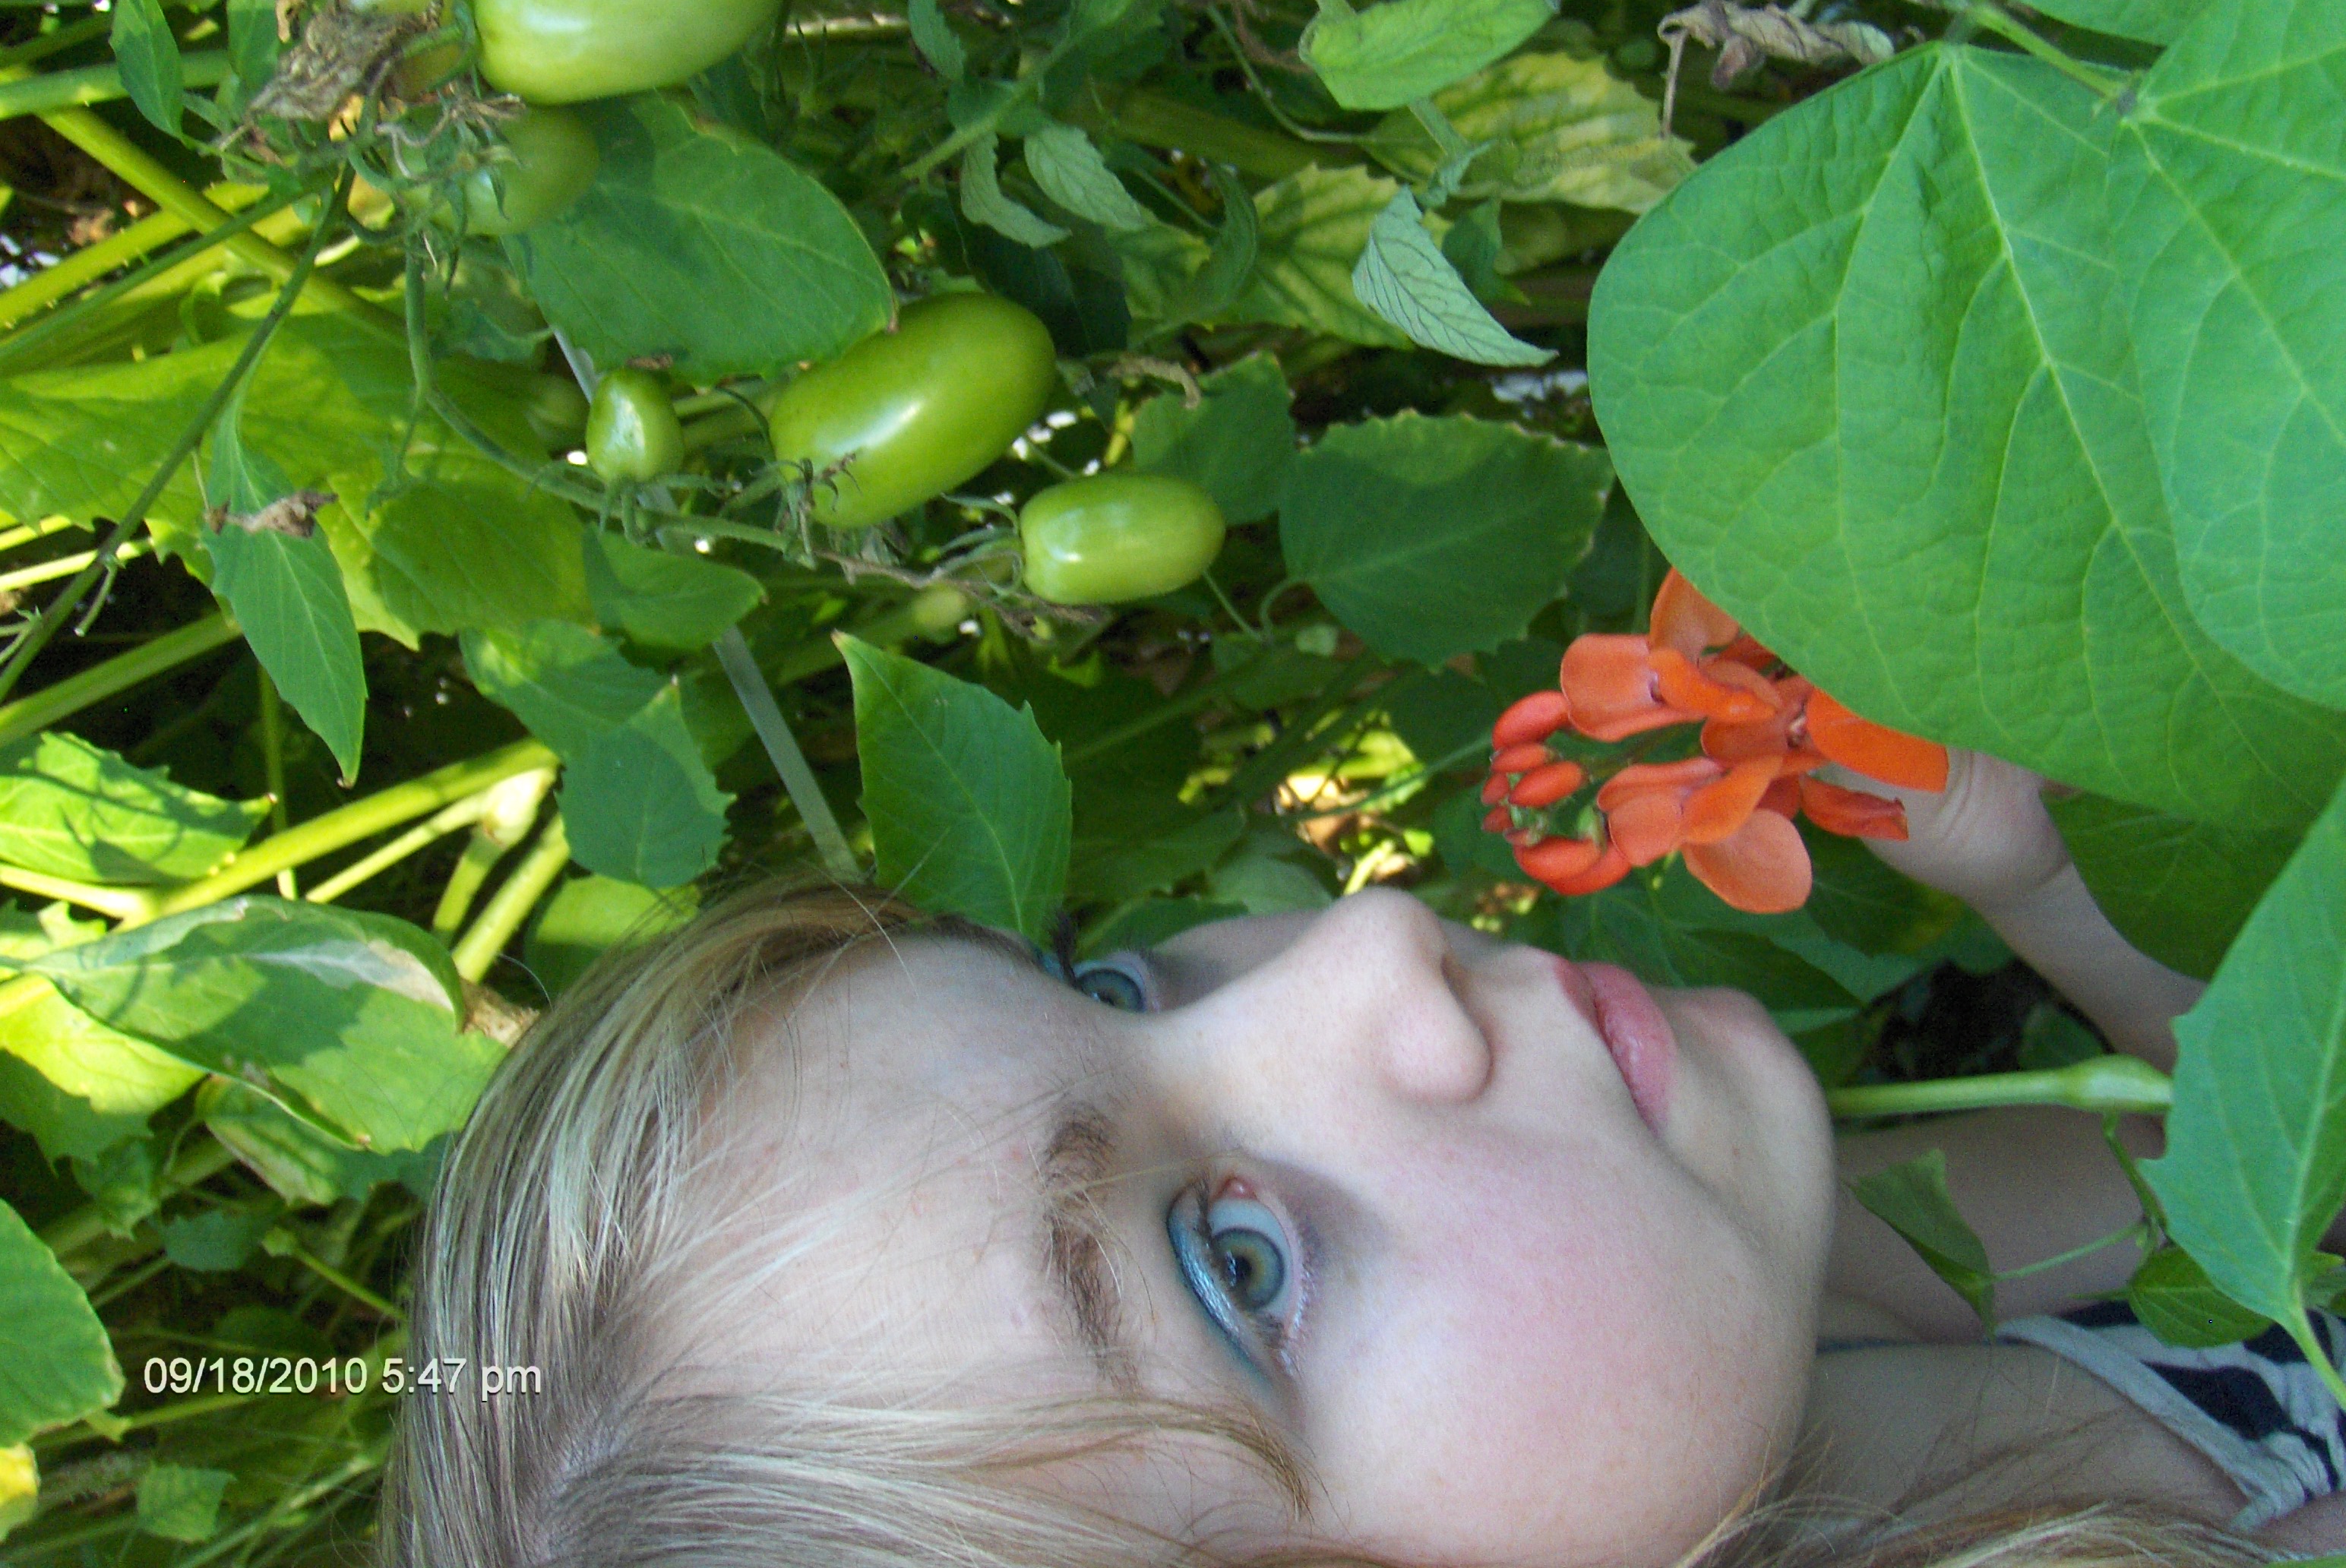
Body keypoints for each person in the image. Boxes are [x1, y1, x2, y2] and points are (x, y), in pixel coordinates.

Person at [377, 748, 2340, 1568]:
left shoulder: (1810, 1358)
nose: (1366, 954)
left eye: (1113, 981)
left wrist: (2060, 876)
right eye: (1239, 1266)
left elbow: (2250, 1199)